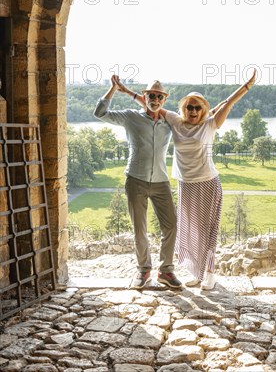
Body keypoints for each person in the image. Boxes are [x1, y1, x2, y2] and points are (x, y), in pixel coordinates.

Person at [157, 69, 257, 290]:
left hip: (207, 183)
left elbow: (229, 102)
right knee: (189, 230)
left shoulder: (209, 125)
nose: (193, 110)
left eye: (197, 107)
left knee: (208, 231)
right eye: (189, 107)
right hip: (186, 185)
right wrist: (125, 91)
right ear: (183, 108)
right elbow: (151, 104)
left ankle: (210, 273)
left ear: (204, 110)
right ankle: (197, 273)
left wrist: (247, 85)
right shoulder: (175, 121)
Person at [93, 76, 182, 290]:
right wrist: (114, 89)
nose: (155, 98)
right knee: (139, 229)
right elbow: (100, 113)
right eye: (151, 95)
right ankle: (144, 270)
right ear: (146, 96)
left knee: (171, 226)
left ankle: (166, 271)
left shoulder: (169, 122)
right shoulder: (131, 117)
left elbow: (193, 124)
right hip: (136, 180)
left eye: (159, 96)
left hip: (161, 182)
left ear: (164, 99)